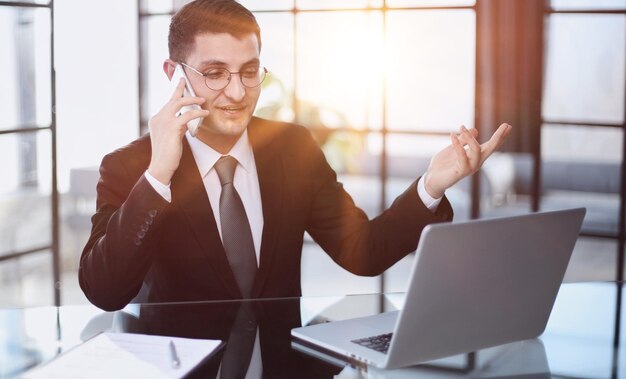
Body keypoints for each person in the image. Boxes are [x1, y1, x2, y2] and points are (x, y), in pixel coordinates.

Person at [79, 0, 511, 312]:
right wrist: (158, 175)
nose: (236, 92)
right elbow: (106, 292)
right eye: (214, 74)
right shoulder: (131, 167)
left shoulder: (293, 147)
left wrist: (432, 185)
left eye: (250, 72)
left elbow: (363, 251)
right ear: (175, 74)